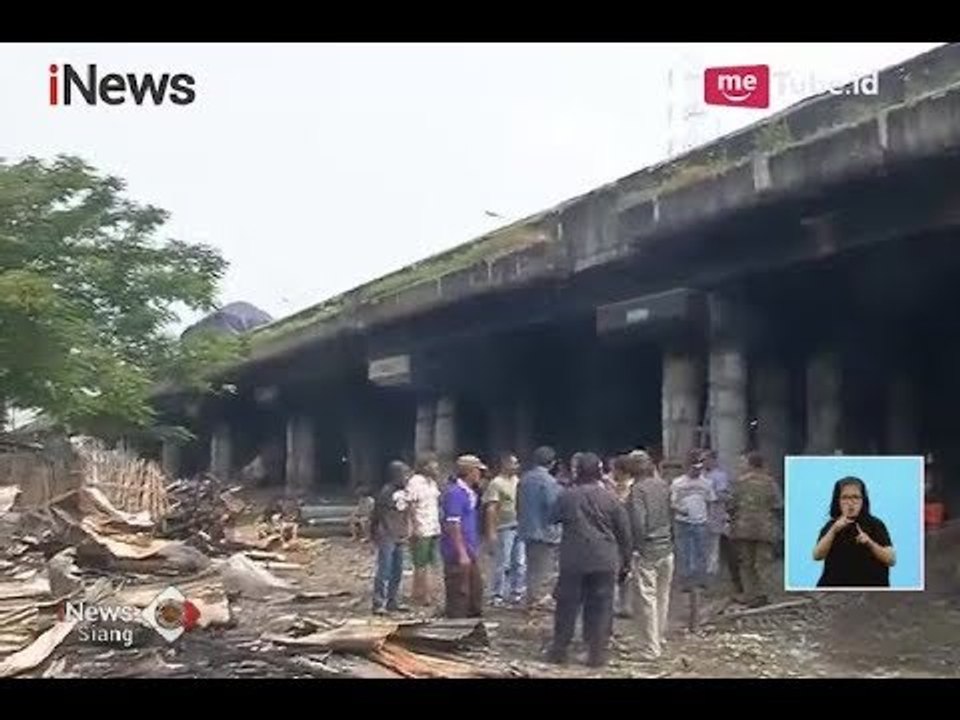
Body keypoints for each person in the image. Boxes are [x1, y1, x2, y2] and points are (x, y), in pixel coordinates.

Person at [546, 452, 632, 668]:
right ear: (599, 472)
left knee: (567, 606)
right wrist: (626, 561)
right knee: (601, 607)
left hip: (573, 560)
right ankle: (596, 654)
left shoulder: (568, 496)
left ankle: (559, 651)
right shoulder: (610, 498)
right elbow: (624, 532)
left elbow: (552, 517)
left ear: (578, 472)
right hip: (604, 559)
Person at [626, 450, 674, 660]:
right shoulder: (663, 485)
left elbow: (638, 522)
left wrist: (636, 547)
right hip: (667, 547)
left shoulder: (638, 490)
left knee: (646, 600)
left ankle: (650, 648)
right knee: (663, 597)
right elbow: (672, 513)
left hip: (648, 549)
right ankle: (659, 637)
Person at [812, 476, 895, 587]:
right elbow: (817, 556)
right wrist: (833, 531)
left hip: (871, 588)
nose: (850, 503)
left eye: (855, 497)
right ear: (837, 501)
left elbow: (891, 560)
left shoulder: (876, 524)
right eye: (845, 498)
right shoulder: (832, 525)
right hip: (835, 589)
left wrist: (869, 543)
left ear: (863, 500)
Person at [728, 451, 782, 606]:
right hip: (765, 529)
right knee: (763, 563)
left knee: (746, 564)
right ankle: (765, 594)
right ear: (762, 464)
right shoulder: (770, 483)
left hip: (743, 528)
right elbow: (778, 505)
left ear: (750, 464)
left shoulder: (740, 482)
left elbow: (731, 504)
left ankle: (749, 595)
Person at [440, 454, 487, 617]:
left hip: (469, 548)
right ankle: (456, 623)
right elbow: (453, 524)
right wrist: (461, 553)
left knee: (475, 591)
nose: (480, 475)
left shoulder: (469, 493)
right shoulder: (455, 493)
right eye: (478, 471)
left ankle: (472, 621)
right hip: (457, 551)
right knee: (459, 592)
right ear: (470, 471)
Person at [517, 446, 562, 610]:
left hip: (527, 528)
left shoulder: (524, 479)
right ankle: (538, 600)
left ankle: (532, 598)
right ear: (552, 463)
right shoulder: (549, 482)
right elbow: (553, 506)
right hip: (545, 530)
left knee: (532, 568)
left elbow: (518, 504)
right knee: (544, 570)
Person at [483, 453, 526, 606]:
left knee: (519, 562)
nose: (516, 466)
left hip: (519, 525)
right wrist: (491, 531)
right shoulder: (496, 483)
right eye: (514, 463)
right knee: (503, 562)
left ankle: (516, 592)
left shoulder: (517, 481)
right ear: (505, 464)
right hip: (504, 526)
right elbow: (491, 508)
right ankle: (498, 594)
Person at [371, 460, 412, 614]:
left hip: (400, 534)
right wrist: (377, 533)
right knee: (384, 569)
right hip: (387, 534)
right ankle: (378, 602)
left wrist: (406, 530)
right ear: (395, 475)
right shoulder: (386, 492)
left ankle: (393, 601)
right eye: (404, 474)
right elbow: (378, 514)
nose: (407, 477)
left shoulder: (405, 491)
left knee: (398, 570)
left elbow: (405, 512)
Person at [405, 452, 442, 606]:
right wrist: (414, 527)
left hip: (433, 526)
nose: (437, 466)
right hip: (421, 526)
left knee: (431, 562)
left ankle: (422, 592)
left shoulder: (432, 483)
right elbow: (411, 506)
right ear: (425, 466)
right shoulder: (415, 482)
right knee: (420, 563)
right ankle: (423, 594)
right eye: (433, 464)